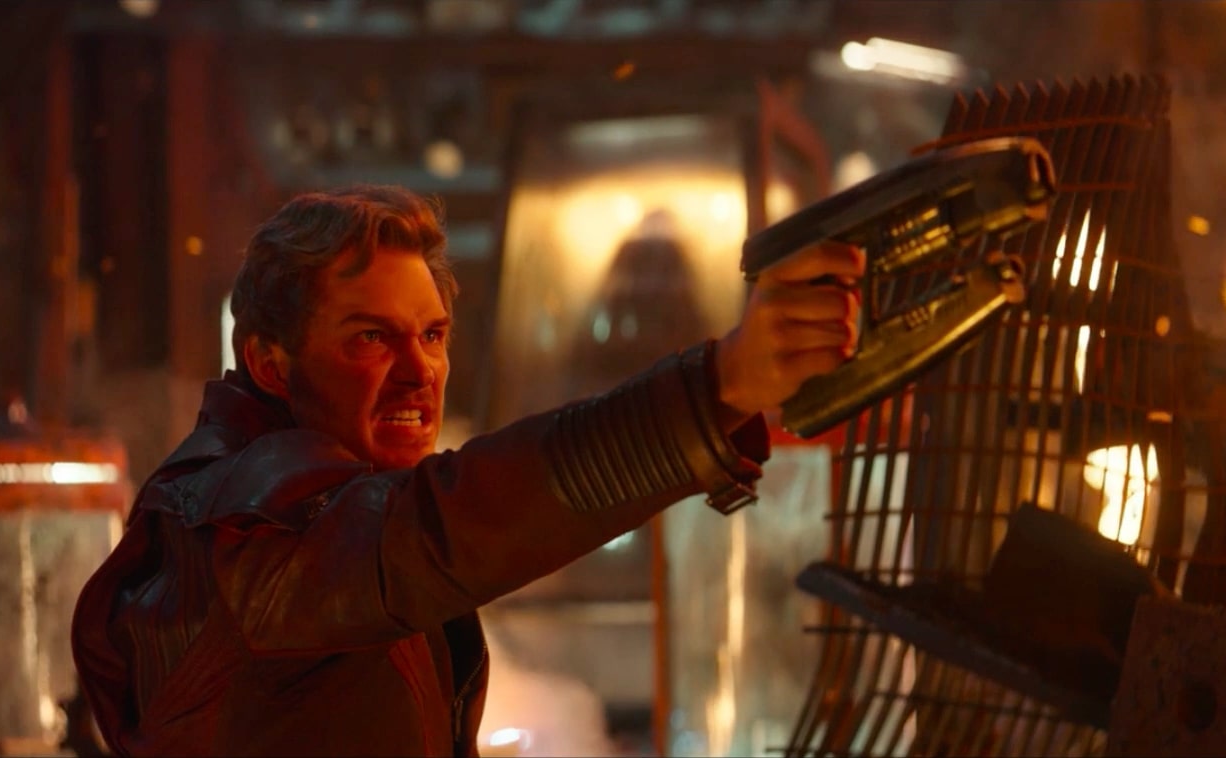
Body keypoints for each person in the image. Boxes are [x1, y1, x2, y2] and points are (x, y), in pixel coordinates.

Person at [71, 185, 862, 756]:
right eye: (371, 338)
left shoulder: (320, 507)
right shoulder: (250, 528)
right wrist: (719, 386)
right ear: (271, 366)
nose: (420, 371)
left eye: (433, 335)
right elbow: (453, 525)